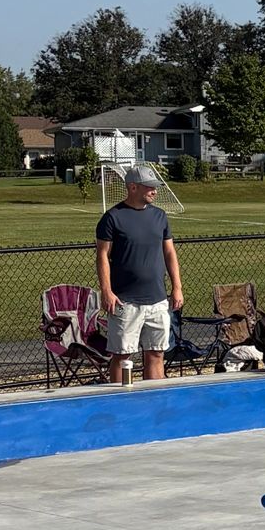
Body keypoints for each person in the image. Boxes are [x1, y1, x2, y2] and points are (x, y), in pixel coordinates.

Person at [93, 163, 183, 385]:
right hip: (125, 301)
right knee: (122, 356)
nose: (155, 191)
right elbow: (102, 256)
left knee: (156, 353)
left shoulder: (160, 216)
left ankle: (154, 402)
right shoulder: (112, 217)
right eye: (149, 187)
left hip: (158, 300)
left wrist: (177, 287)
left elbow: (169, 252)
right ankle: (118, 400)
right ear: (133, 187)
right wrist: (107, 291)